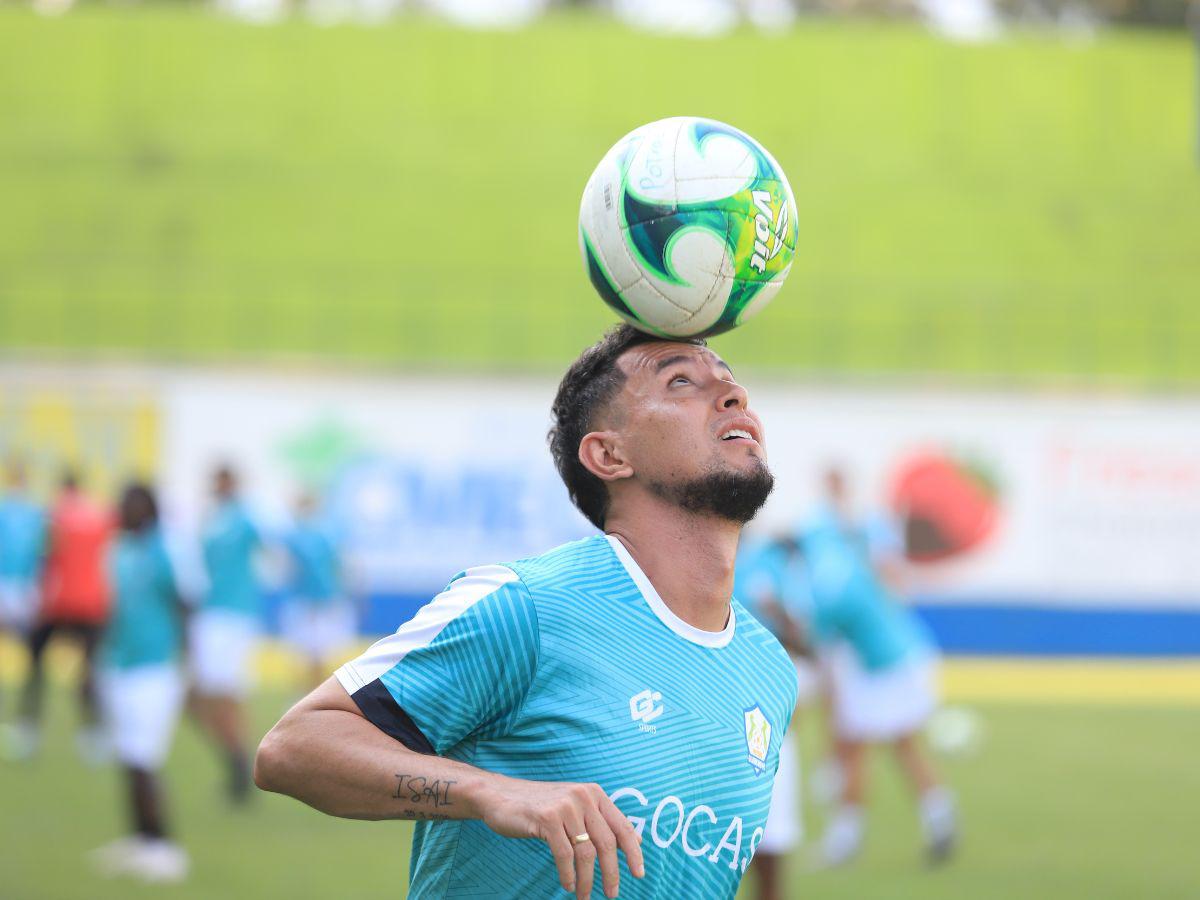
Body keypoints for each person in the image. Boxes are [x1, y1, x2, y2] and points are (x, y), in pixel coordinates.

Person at [255, 326, 799, 899]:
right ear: (610, 454)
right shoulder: (526, 607)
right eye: (681, 381)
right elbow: (293, 748)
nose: (732, 394)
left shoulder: (769, 669)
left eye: (729, 379)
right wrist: (491, 792)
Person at [803, 478, 958, 868]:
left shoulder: (833, 587)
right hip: (905, 658)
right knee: (901, 746)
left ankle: (846, 839)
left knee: (859, 747)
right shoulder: (857, 565)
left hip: (886, 669)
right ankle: (939, 819)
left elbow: (819, 650)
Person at [91, 483, 189, 883]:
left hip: (155, 665)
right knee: (129, 757)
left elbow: (183, 604)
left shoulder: (163, 550)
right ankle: (140, 838)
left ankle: (165, 846)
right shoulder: (117, 551)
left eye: (137, 503)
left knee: (145, 758)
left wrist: (188, 659)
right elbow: (110, 609)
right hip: (119, 664)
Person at [735, 534, 816, 900]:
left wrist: (778, 613)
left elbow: (806, 644)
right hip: (716, 720)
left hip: (765, 727)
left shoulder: (773, 570)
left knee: (769, 854)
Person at [14, 469, 112, 762]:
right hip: (92, 603)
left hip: (58, 604)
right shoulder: (99, 516)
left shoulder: (54, 516)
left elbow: (45, 558)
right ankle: (92, 735)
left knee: (35, 666)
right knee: (89, 670)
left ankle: (28, 729)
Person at [188, 464, 261, 803]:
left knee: (226, 694)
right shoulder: (210, 519)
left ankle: (241, 766)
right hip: (209, 612)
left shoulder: (245, 519)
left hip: (233, 614)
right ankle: (234, 757)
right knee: (197, 699)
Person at [279, 491, 356, 690]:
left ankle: (311, 694)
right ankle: (311, 693)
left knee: (314, 655)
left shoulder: (302, 535)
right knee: (313, 655)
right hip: (318, 600)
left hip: (315, 602)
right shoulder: (326, 533)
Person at [0, 460, 45, 716]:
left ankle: (27, 715)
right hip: (6, 585)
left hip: (25, 588)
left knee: (33, 654)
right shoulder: (4, 510)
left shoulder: (33, 513)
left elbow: (40, 553)